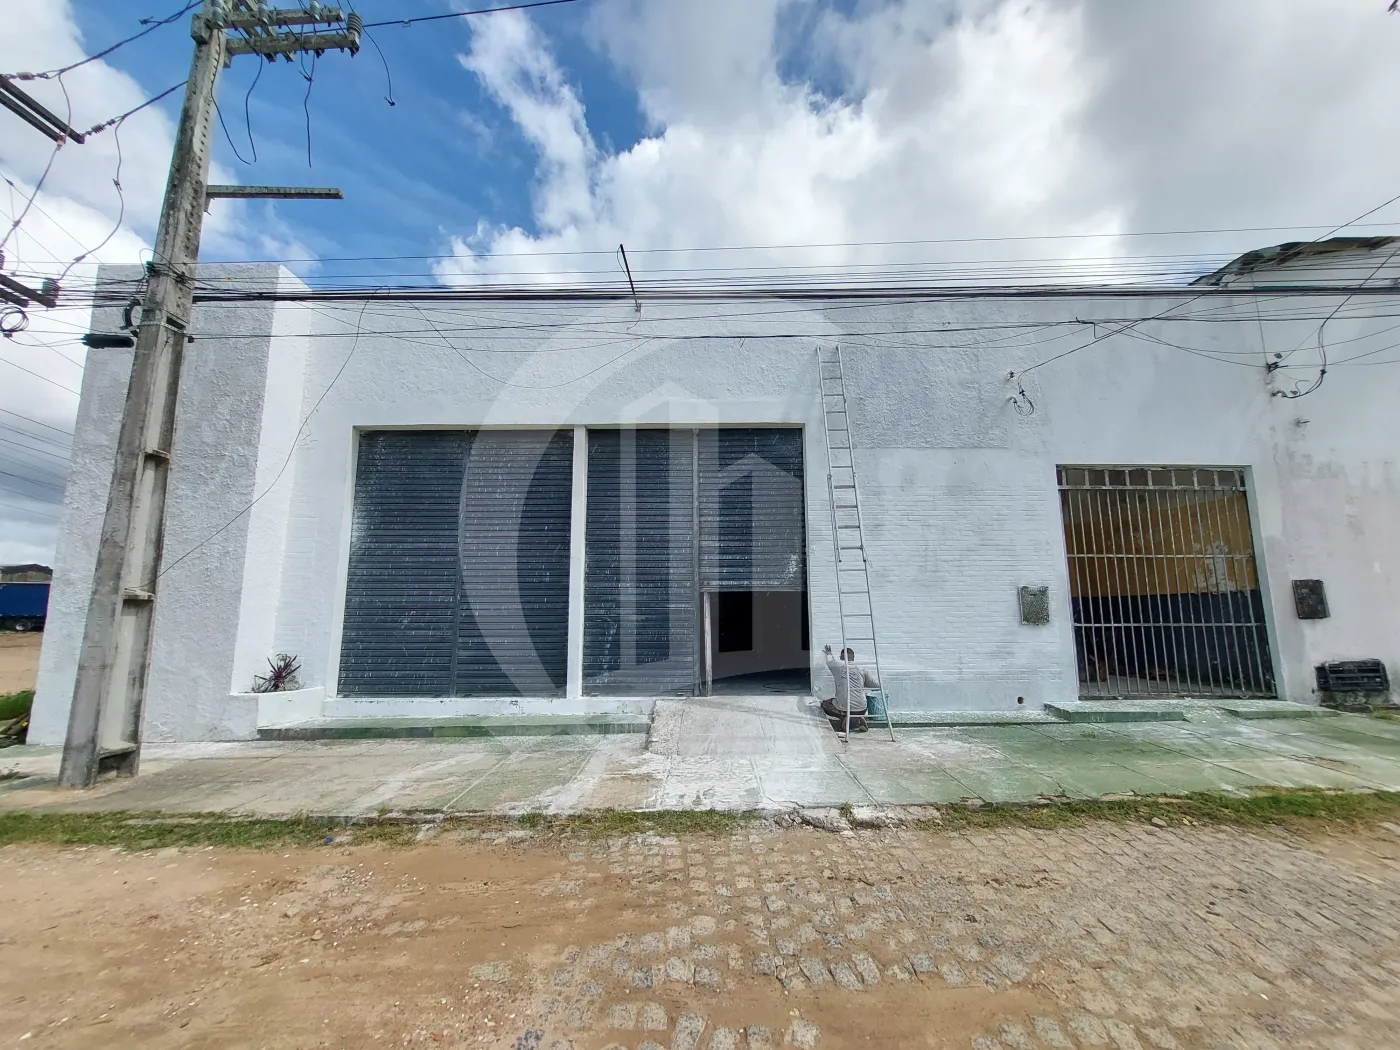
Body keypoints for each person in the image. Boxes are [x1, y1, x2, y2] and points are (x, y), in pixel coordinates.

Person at [821, 644, 879, 732]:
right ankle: (860, 717)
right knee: (859, 702)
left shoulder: (837, 666)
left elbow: (829, 661)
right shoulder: (862, 668)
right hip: (862, 708)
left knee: (825, 704)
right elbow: (875, 686)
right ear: (854, 657)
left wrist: (829, 653)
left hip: (844, 707)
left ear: (841, 657)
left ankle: (844, 718)